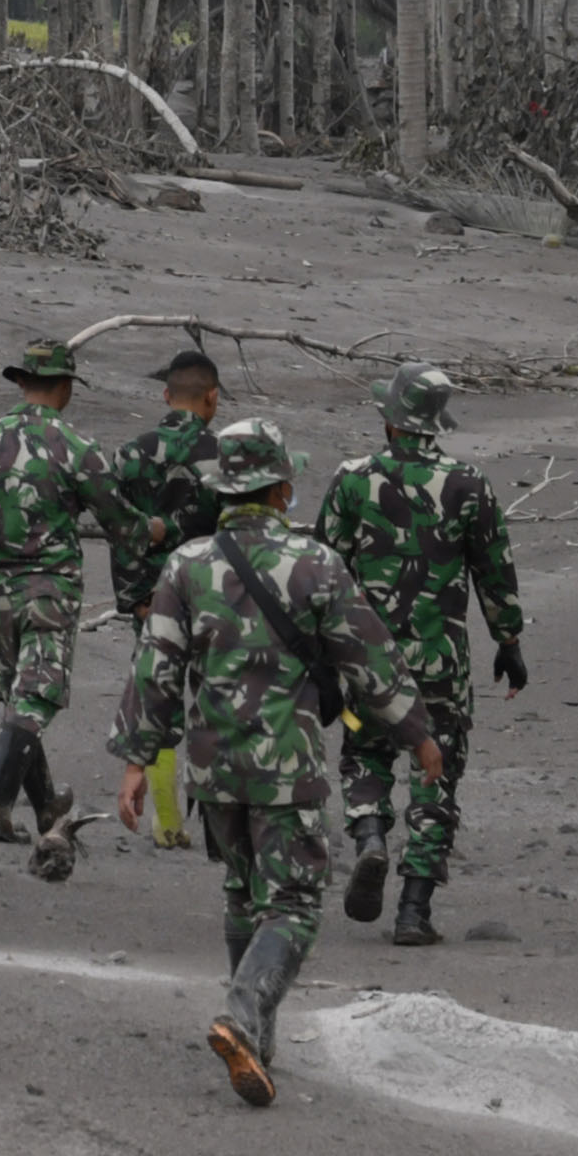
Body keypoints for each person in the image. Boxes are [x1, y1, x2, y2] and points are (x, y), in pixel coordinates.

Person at [110, 416, 441, 1107]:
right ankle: (244, 1013)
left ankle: (256, 1038)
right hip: (284, 761)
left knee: (240, 893)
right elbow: (368, 654)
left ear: (224, 491)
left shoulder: (186, 563)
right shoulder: (315, 563)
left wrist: (138, 760)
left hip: (212, 764)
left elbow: (155, 668)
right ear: (284, 489)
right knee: (292, 904)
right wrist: (417, 732)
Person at [313, 362, 527, 946]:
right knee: (438, 776)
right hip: (442, 666)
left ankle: (370, 840)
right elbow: (495, 572)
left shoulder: (352, 479)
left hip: (367, 665)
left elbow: (321, 569)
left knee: (364, 756)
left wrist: (319, 658)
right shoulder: (468, 483)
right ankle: (413, 911)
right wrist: (509, 643)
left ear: (389, 421)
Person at [0, 336, 142, 878]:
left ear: (20, 381)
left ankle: (46, 808)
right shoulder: (77, 448)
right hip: (51, 589)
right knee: (36, 698)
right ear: (66, 388)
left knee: (19, 695)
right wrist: (154, 532)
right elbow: (119, 520)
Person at [107, 343, 226, 851]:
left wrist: (132, 596)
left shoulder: (131, 454)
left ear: (166, 395)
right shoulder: (226, 458)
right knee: (219, 703)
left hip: (154, 598)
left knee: (158, 700)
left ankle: (167, 822)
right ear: (212, 398)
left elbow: (121, 533)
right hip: (218, 597)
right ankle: (222, 821)